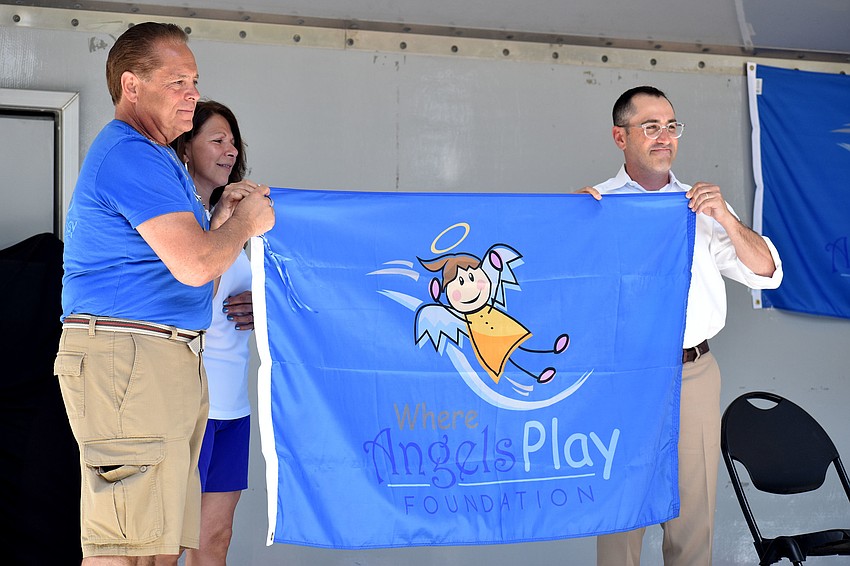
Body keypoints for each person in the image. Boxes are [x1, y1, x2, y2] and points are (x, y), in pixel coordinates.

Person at [54, 22, 274, 565]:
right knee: (125, 547)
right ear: (132, 86)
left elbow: (189, 252)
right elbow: (197, 263)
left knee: (155, 548)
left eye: (194, 80)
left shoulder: (154, 159)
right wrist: (243, 223)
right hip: (132, 359)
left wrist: (219, 218)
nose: (192, 94)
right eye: (177, 81)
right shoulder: (131, 153)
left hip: (156, 359)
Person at [577, 86, 783, 566]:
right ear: (619, 136)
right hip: (622, 375)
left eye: (671, 125)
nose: (664, 136)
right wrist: (570, 226)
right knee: (620, 518)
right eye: (650, 126)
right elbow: (561, 290)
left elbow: (767, 274)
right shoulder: (595, 205)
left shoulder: (701, 206)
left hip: (692, 372)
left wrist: (727, 220)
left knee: (693, 515)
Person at [171, 100, 255, 565]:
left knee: (215, 538)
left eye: (233, 141)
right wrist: (228, 223)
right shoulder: (178, 220)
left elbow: (280, 296)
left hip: (232, 404)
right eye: (216, 140)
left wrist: (262, 311)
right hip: (186, 406)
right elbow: (195, 294)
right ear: (185, 147)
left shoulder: (247, 222)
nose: (230, 150)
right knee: (166, 546)